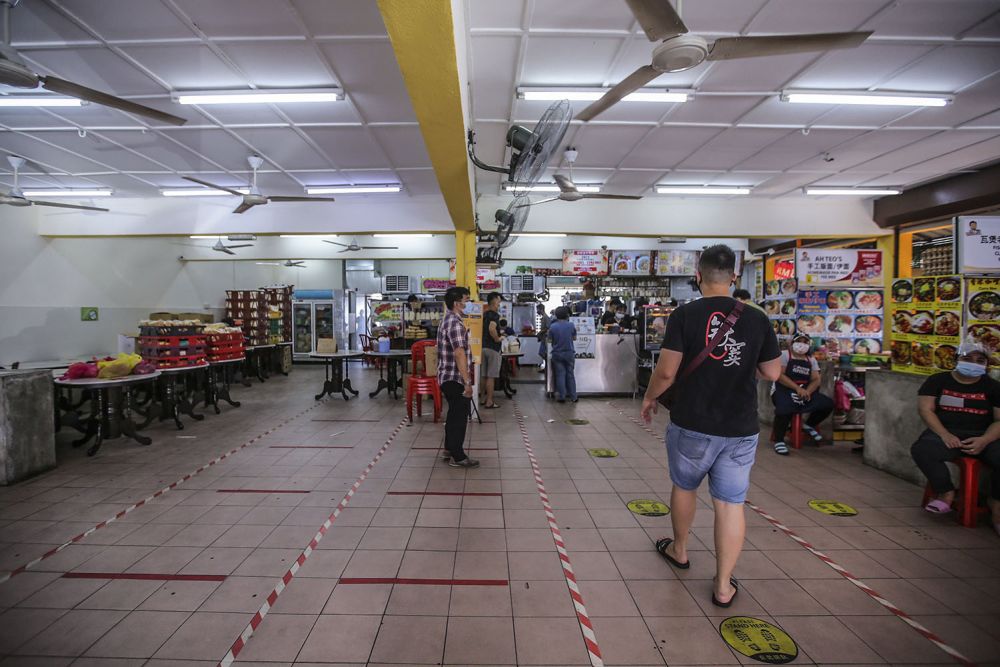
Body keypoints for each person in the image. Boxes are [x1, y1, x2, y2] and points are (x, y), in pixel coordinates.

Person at [640, 244, 781, 608]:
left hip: (692, 422)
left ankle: (681, 550)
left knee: (685, 486)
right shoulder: (757, 317)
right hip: (740, 427)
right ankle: (722, 585)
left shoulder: (684, 315)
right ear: (734, 278)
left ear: (698, 275)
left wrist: (649, 397)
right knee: (730, 504)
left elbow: (667, 370)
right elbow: (772, 372)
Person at [911, 338, 1000, 534]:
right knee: (922, 450)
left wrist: (985, 439)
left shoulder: (993, 387)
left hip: (983, 435)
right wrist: (944, 434)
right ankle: (945, 491)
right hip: (946, 432)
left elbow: (999, 420)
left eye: (979, 360)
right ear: (957, 359)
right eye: (967, 358)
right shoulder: (937, 380)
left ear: (986, 365)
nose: (973, 364)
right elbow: (926, 410)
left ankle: (996, 503)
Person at [771, 333, 835, 455]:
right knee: (784, 410)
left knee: (827, 404)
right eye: (799, 341)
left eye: (805, 342)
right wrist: (797, 388)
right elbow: (780, 375)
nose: (802, 345)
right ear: (792, 343)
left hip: (805, 392)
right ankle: (779, 440)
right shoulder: (784, 355)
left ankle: (808, 425)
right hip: (783, 390)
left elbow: (816, 379)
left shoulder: (811, 359)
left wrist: (808, 391)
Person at [437, 286, 479, 468]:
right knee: (459, 417)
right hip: (455, 378)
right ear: (457, 303)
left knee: (453, 414)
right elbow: (459, 353)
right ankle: (458, 456)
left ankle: (448, 449)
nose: (468, 303)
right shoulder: (454, 323)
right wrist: (467, 382)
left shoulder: (448, 320)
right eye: (466, 300)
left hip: (447, 376)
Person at [548, 306, 578, 403]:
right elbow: (574, 338)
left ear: (556, 315)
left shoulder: (553, 327)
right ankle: (574, 397)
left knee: (560, 375)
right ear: (567, 315)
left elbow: (549, 340)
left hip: (557, 354)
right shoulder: (571, 325)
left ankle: (562, 397)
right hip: (569, 353)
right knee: (570, 375)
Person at [481, 292, 503, 409]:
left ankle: (482, 399)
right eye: (498, 301)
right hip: (492, 348)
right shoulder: (494, 315)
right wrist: (497, 339)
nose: (499, 304)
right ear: (494, 301)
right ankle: (489, 401)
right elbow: (491, 328)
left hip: (482, 347)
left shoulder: (483, 315)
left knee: (483, 375)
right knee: (491, 376)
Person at [536, 303, 551, 372]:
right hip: (543, 338)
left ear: (541, 309)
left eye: (537, 309)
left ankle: (547, 368)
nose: (537, 311)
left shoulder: (546, 317)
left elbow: (548, 328)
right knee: (542, 353)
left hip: (545, 338)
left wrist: (540, 332)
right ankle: (546, 368)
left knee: (543, 353)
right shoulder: (543, 317)